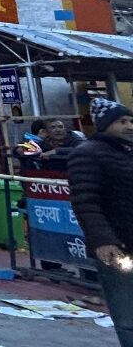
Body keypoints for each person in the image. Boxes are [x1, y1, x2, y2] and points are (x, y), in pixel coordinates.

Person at [69, 98, 133, 347]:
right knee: (127, 311)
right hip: (117, 246)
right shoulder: (87, 153)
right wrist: (104, 241)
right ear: (104, 125)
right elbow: (85, 202)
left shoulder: (128, 153)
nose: (129, 126)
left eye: (131, 121)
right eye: (122, 121)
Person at [14, 118, 84, 171]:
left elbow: (81, 148)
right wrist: (19, 149)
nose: (58, 130)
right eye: (53, 127)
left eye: (60, 127)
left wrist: (55, 151)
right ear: (45, 132)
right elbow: (23, 147)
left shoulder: (72, 136)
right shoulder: (44, 141)